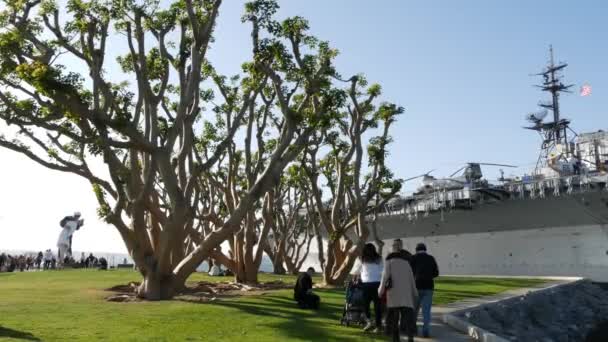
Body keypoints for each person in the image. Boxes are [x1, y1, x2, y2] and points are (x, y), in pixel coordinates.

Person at [379, 239, 418, 342]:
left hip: (393, 294)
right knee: (408, 318)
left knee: (394, 319)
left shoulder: (389, 262)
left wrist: (380, 291)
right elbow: (411, 279)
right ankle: (410, 337)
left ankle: (396, 339)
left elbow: (384, 278)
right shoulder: (406, 263)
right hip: (406, 295)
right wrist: (415, 292)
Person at [352, 243, 383, 332]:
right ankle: (376, 325)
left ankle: (371, 323)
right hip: (375, 284)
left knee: (367, 305)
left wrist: (355, 276)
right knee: (376, 306)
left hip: (368, 284)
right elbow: (382, 270)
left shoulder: (362, 259)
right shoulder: (378, 258)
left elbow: (356, 271)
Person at [411, 243, 439, 338]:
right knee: (426, 311)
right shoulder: (431, 258)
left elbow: (409, 272)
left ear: (416, 249)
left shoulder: (413, 258)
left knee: (414, 310)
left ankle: (413, 329)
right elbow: (436, 273)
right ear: (425, 249)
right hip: (428, 287)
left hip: (416, 286)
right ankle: (425, 331)